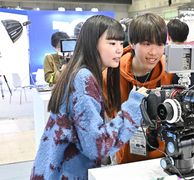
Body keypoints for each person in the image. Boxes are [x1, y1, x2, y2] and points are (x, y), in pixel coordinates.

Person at [31, 15, 148, 179]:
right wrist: (134, 106)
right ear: (92, 44)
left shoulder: (79, 73)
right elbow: (97, 147)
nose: (119, 49)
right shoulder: (83, 78)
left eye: (121, 43)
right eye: (112, 43)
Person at [102, 13, 173, 164]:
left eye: (160, 44)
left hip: (161, 158)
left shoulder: (169, 72)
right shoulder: (110, 75)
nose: (154, 52)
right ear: (133, 43)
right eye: (147, 44)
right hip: (124, 160)